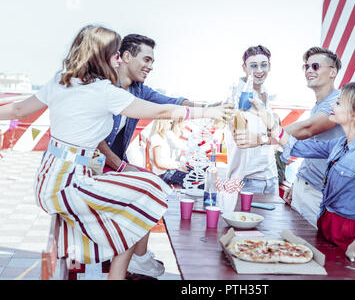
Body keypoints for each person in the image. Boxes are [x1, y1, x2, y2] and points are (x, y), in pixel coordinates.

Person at [0, 25, 231, 280]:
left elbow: (18, 111)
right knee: (151, 191)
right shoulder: (104, 91)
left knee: (142, 197)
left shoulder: (61, 80)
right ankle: (135, 264)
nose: (118, 58)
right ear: (103, 55)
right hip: (69, 182)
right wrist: (208, 112)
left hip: (52, 178)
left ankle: (122, 272)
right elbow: (161, 112)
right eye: (115, 54)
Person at [96, 33, 223, 276]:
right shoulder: (103, 87)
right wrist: (119, 166)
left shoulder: (139, 90)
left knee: (155, 185)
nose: (150, 66)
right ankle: (137, 258)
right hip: (92, 166)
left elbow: (174, 103)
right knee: (146, 188)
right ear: (125, 56)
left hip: (113, 165)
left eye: (152, 62)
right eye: (146, 59)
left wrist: (209, 109)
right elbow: (94, 138)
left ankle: (139, 258)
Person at [246, 81, 355, 268]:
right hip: (326, 228)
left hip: (349, 240)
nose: (332, 105)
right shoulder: (339, 143)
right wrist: (267, 119)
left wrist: (354, 246)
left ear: (354, 115)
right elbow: (296, 146)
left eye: (338, 103)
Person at [235, 46, 345, 226]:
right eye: (306, 67)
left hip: (322, 194)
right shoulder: (319, 104)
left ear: (332, 72)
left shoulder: (337, 102)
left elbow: (307, 129)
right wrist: (299, 182)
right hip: (307, 187)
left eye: (315, 66)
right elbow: (313, 147)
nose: (309, 70)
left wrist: (262, 138)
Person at [225, 45, 278, 194]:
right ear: (244, 67)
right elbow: (238, 134)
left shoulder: (266, 93)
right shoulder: (237, 96)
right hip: (247, 179)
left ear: (270, 66)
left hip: (270, 176)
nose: (259, 70)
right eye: (253, 66)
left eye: (264, 65)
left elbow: (273, 134)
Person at [148, 120, 188, 187]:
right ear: (163, 123)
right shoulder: (156, 138)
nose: (171, 124)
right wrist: (176, 167)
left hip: (167, 171)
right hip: (163, 174)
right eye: (170, 122)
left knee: (193, 173)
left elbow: (165, 159)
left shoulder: (161, 137)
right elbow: (158, 163)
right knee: (190, 178)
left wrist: (178, 165)